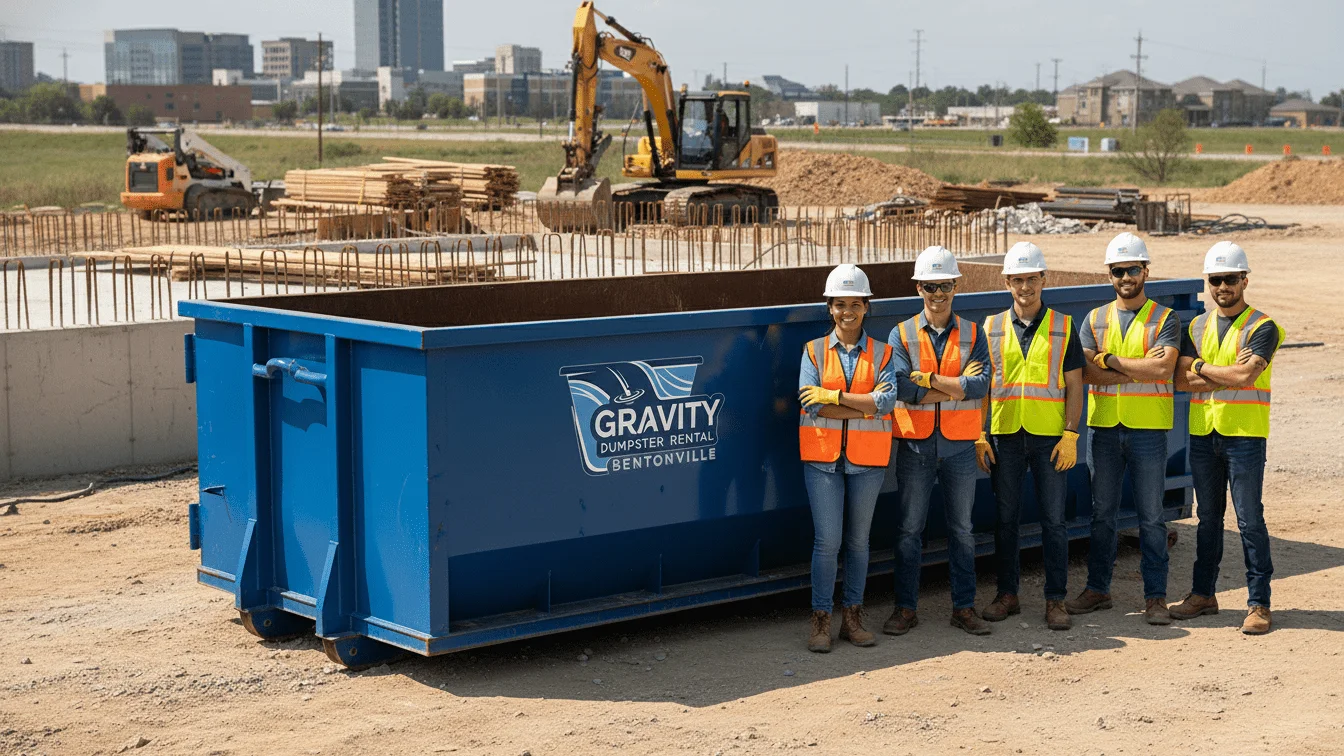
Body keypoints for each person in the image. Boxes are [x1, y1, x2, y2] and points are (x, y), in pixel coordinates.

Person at [1170, 242, 1284, 635]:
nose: (1222, 286)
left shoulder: (1263, 327)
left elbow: (1245, 377)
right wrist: (1213, 370)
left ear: (1244, 280)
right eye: (1215, 279)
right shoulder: (1196, 326)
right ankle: (1204, 594)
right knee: (1208, 519)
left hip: (1245, 435)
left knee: (1250, 519)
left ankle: (1259, 604)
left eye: (1230, 279)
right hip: (1205, 433)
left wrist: (1201, 366)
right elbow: (1181, 379)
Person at [1071, 232, 1181, 625]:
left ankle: (1156, 598)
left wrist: (1111, 360)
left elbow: (1163, 368)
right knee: (1102, 515)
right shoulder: (1094, 319)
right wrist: (1132, 368)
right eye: (1118, 271)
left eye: (1132, 269)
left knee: (1151, 516)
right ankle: (1098, 589)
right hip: (1103, 430)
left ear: (1145, 271)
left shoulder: (1164, 318)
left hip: (1149, 431)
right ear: (1110, 275)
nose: (1125, 277)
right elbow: (1085, 371)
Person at [975, 242, 1085, 632]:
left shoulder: (1063, 326)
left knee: (1054, 521)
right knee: (1005, 520)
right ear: (1006, 282)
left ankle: (1055, 599)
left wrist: (1071, 434)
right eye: (1018, 279)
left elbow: (1075, 385)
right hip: (1005, 436)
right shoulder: (990, 328)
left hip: (1049, 438)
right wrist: (979, 434)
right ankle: (1008, 594)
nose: (1025, 286)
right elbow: (984, 387)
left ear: (1044, 279)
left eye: (1031, 279)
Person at [885, 246, 991, 637]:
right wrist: (956, 387)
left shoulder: (973, 333)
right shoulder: (902, 333)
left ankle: (963, 608)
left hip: (960, 446)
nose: (938, 294)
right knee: (909, 530)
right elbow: (899, 388)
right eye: (930, 286)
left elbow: (980, 386)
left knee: (962, 530)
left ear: (955, 286)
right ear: (919, 288)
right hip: (915, 446)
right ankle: (905, 608)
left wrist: (926, 380)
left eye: (944, 285)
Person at [798, 264, 899, 652]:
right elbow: (810, 406)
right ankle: (821, 620)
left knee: (858, 542)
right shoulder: (813, 351)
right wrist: (865, 407)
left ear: (866, 306)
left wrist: (835, 398)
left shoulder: (882, 353)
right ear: (830, 307)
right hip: (823, 460)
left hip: (867, 462)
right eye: (839, 304)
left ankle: (852, 618)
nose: (847, 312)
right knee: (827, 542)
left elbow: (887, 401)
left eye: (854, 304)